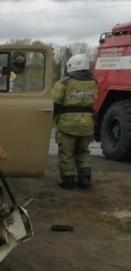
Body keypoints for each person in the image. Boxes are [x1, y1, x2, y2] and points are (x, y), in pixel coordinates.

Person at [52, 53, 98, 189]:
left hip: (68, 125)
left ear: (71, 67)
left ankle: (68, 179)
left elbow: (54, 102)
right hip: (87, 124)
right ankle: (84, 177)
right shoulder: (94, 82)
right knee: (83, 151)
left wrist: (52, 118)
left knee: (67, 152)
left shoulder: (64, 83)